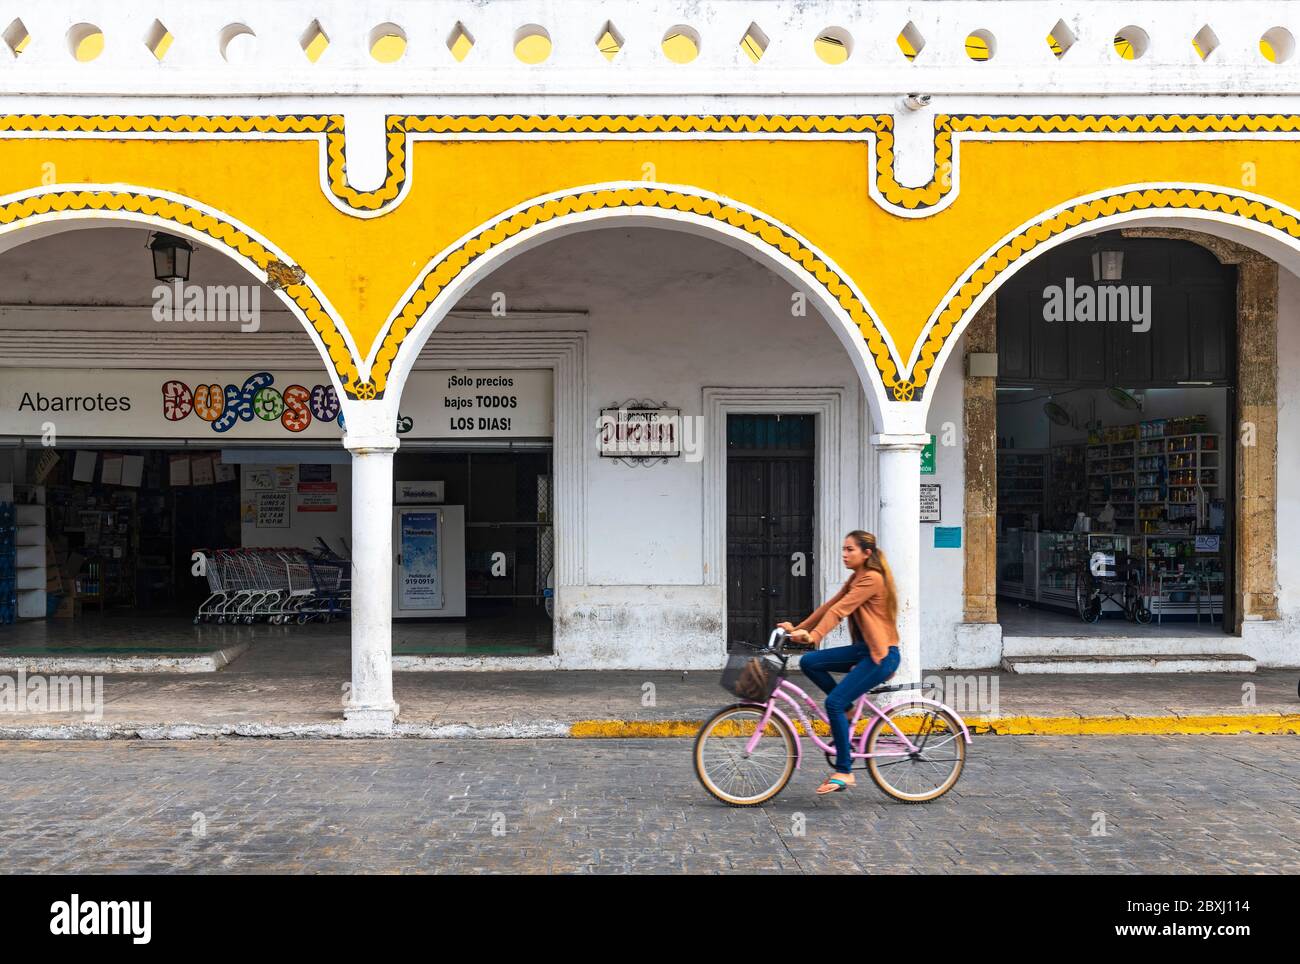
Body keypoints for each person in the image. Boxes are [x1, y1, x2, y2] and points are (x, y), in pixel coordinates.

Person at [779, 530, 901, 794]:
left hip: (881, 656)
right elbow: (828, 606)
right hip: (864, 651)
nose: (844, 554)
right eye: (843, 549)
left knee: (832, 702)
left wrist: (814, 635)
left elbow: (840, 611)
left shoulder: (872, 578)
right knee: (810, 662)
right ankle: (846, 709)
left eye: (850, 550)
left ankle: (844, 771)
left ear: (867, 553)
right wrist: (797, 629)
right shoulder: (856, 578)